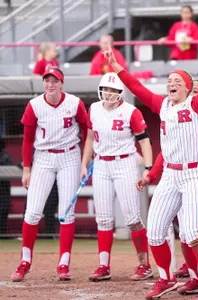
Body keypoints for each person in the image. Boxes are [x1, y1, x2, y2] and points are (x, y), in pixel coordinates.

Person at [104, 34, 198, 300]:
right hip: (170, 174)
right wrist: (116, 67)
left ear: (187, 87)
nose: (171, 83)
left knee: (193, 233)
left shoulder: (197, 106)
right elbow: (136, 87)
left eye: (177, 81)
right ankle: (166, 278)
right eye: (169, 80)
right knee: (156, 232)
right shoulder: (163, 106)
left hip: (195, 174)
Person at [139, 100, 198, 294]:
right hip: (178, 175)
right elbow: (167, 154)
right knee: (186, 232)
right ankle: (194, 276)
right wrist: (151, 175)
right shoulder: (184, 120)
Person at [12, 67, 88, 282]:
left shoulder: (74, 103)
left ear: (62, 83)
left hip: (69, 156)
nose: (51, 84)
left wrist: (85, 161)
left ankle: (64, 263)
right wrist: (26, 169)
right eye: (47, 80)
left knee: (67, 211)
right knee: (33, 211)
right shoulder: (35, 105)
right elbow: (27, 139)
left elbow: (86, 131)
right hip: (43, 156)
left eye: (55, 81)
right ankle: (24, 262)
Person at [81, 72, 154, 281]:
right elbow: (88, 138)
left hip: (125, 163)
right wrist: (83, 164)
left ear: (121, 93)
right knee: (103, 218)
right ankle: (103, 266)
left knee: (132, 217)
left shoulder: (130, 111)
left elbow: (144, 141)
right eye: (106, 89)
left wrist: (148, 167)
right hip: (101, 163)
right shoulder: (94, 109)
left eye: (113, 90)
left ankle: (144, 264)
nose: (109, 93)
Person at [0, 138, 12, 239]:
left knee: (3, 214)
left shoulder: (5, 157)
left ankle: (3, 236)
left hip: (3, 192)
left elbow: (10, 172)